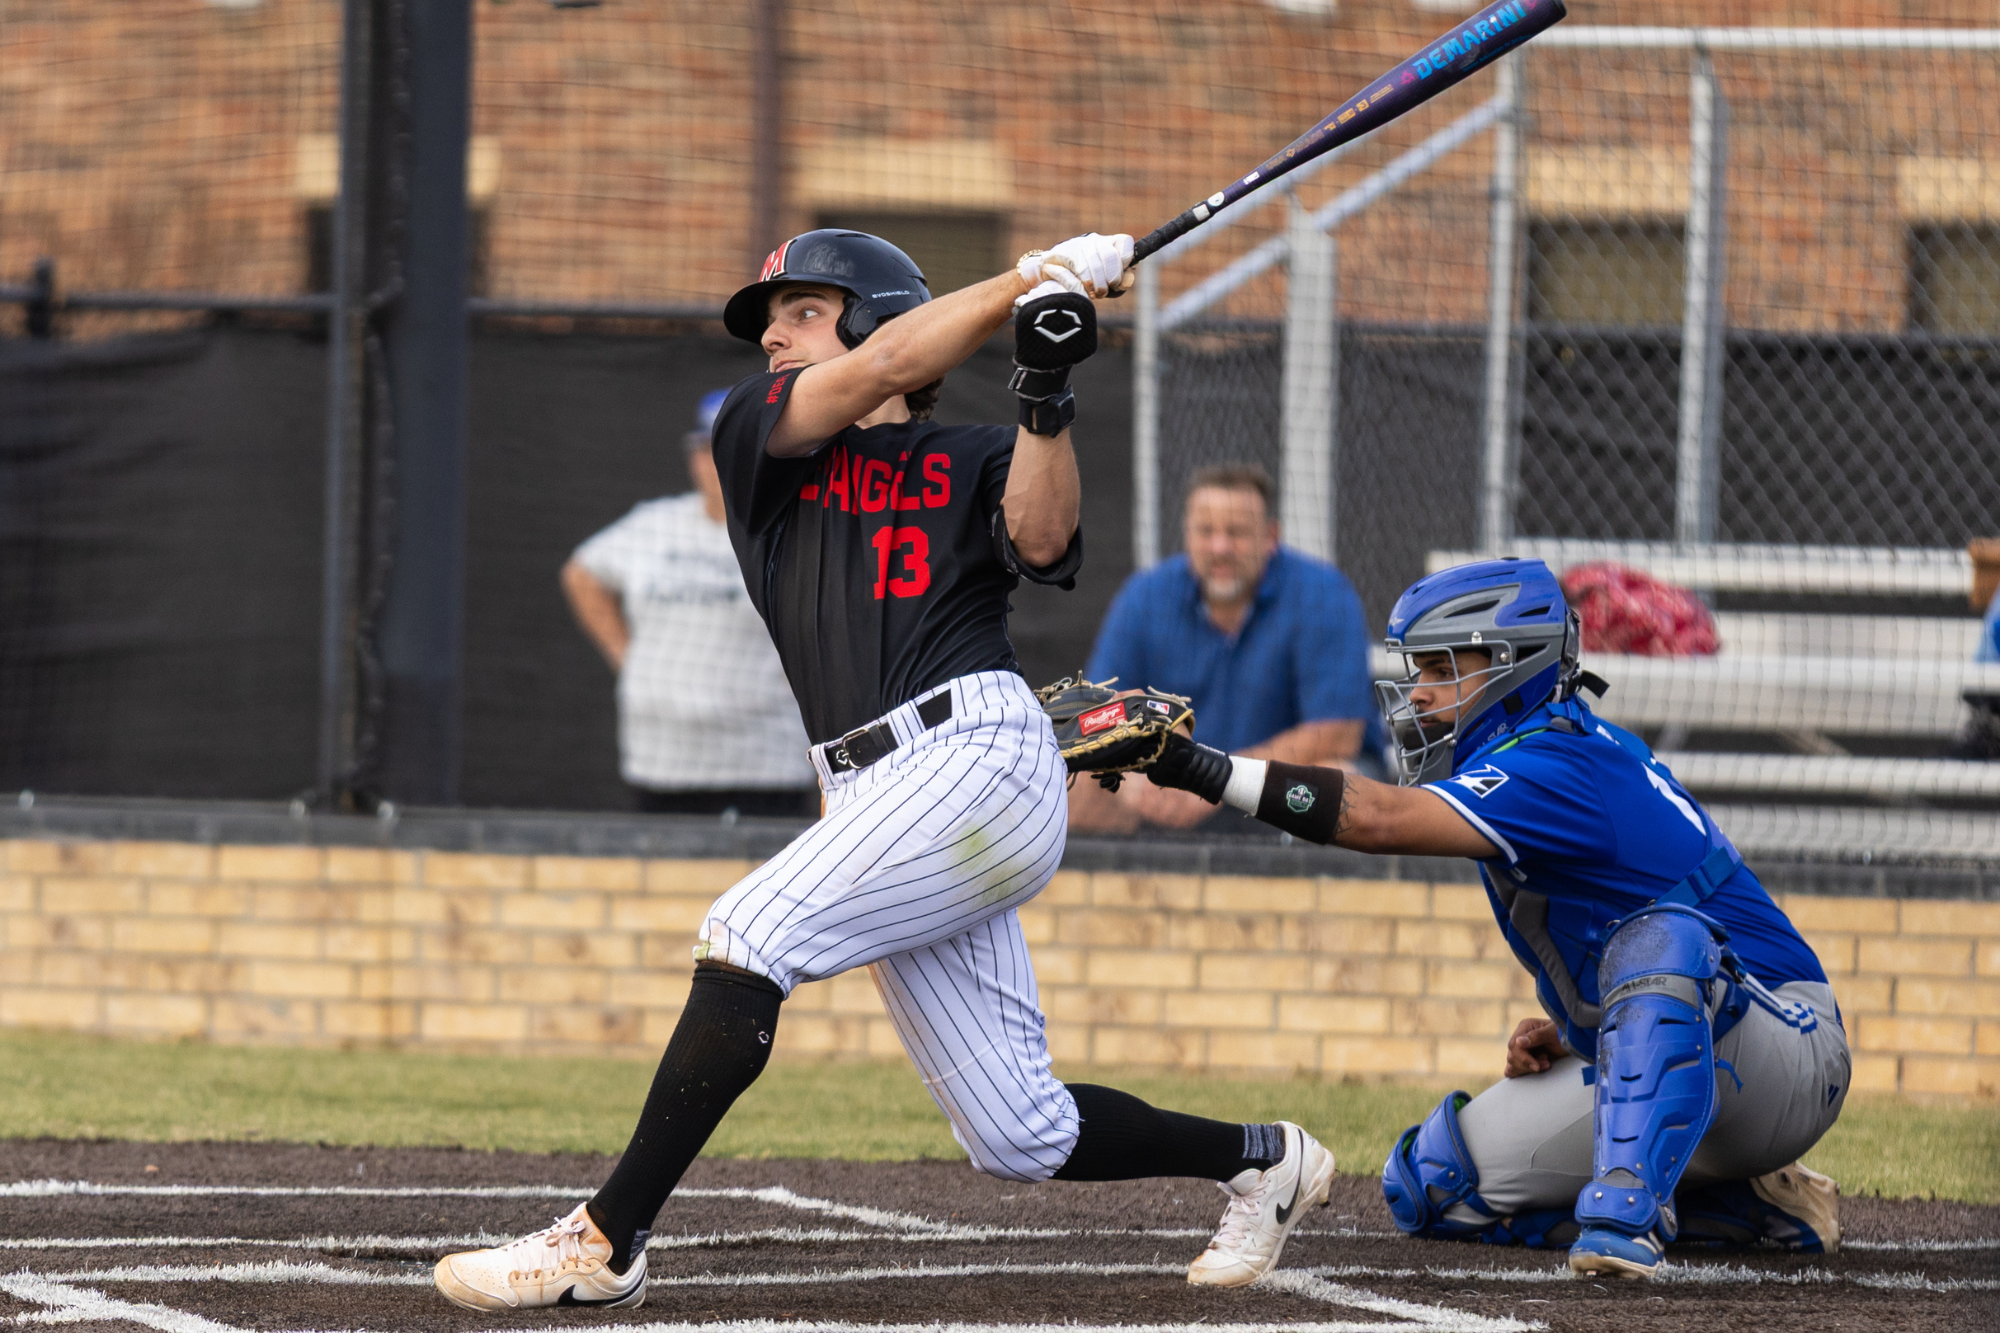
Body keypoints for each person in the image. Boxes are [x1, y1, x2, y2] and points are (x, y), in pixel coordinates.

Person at [434, 229, 1335, 1312]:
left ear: (873, 310)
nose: (772, 331)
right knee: (1019, 1131)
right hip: (874, 787)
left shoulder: (972, 452)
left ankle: (604, 1238)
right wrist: (1024, 277)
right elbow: (878, 371)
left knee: (748, 932)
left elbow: (1043, 545)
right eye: (775, 317)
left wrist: (1043, 389)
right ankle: (1265, 1156)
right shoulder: (755, 437)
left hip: (979, 753)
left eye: (805, 309)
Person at [1131, 557, 1850, 1280]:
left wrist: (1202, 769)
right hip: (1715, 1032)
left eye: (1441, 667)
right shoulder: (1538, 749)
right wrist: (1594, 1030)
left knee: (1660, 940)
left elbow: (1375, 818)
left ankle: (1623, 1220)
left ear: (1512, 665)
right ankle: (1754, 1206)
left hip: (1791, 1045)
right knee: (1432, 1185)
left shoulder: (1556, 761)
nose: (1420, 691)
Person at [1069, 463, 1379, 833]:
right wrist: (1134, 770)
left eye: (1237, 533)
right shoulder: (1144, 596)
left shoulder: (1325, 594)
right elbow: (1100, 712)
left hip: (1273, 790)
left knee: (1341, 775)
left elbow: (1339, 734)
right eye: (1206, 531)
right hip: (1167, 788)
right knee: (1082, 780)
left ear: (1271, 536)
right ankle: (1093, 889)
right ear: (1186, 534)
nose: (1220, 547)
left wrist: (1217, 777)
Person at [561, 390, 818, 817]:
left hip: (763, 760)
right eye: (705, 450)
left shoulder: (796, 529)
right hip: (662, 758)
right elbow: (582, 572)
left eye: (732, 451)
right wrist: (628, 659)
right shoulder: (656, 524)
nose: (715, 464)